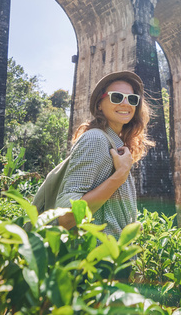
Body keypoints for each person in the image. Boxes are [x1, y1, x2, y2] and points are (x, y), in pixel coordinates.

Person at [55, 70, 153, 237]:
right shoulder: (95, 139)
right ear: (99, 104)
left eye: (132, 99)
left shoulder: (114, 143)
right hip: (96, 258)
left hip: (113, 258)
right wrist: (120, 175)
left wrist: (129, 223)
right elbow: (65, 218)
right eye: (116, 97)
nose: (125, 103)